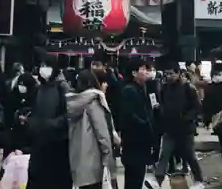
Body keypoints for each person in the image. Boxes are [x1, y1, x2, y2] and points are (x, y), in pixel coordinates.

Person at [148, 64, 204, 189]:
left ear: (178, 73)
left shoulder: (188, 88)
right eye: (167, 74)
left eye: (172, 74)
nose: (169, 76)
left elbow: (197, 107)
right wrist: (160, 111)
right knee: (164, 155)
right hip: (169, 129)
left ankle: (199, 181)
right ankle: (158, 180)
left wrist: (186, 118)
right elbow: (163, 104)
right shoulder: (164, 88)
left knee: (190, 156)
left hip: (185, 130)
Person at [24, 56, 72, 189]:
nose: (43, 69)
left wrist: (52, 123)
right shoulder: (39, 89)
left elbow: (69, 114)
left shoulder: (62, 88)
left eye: (47, 65)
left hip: (58, 144)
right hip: (40, 142)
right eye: (42, 65)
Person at [66, 70, 114, 189]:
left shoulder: (72, 102)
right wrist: (108, 158)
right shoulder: (93, 102)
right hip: (94, 162)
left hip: (77, 160)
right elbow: (102, 133)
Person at [120, 59, 154, 189]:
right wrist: (145, 125)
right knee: (133, 180)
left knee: (137, 179)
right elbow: (130, 116)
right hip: (134, 143)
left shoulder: (142, 88)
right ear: (134, 73)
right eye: (143, 69)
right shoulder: (129, 90)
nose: (146, 72)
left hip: (140, 143)